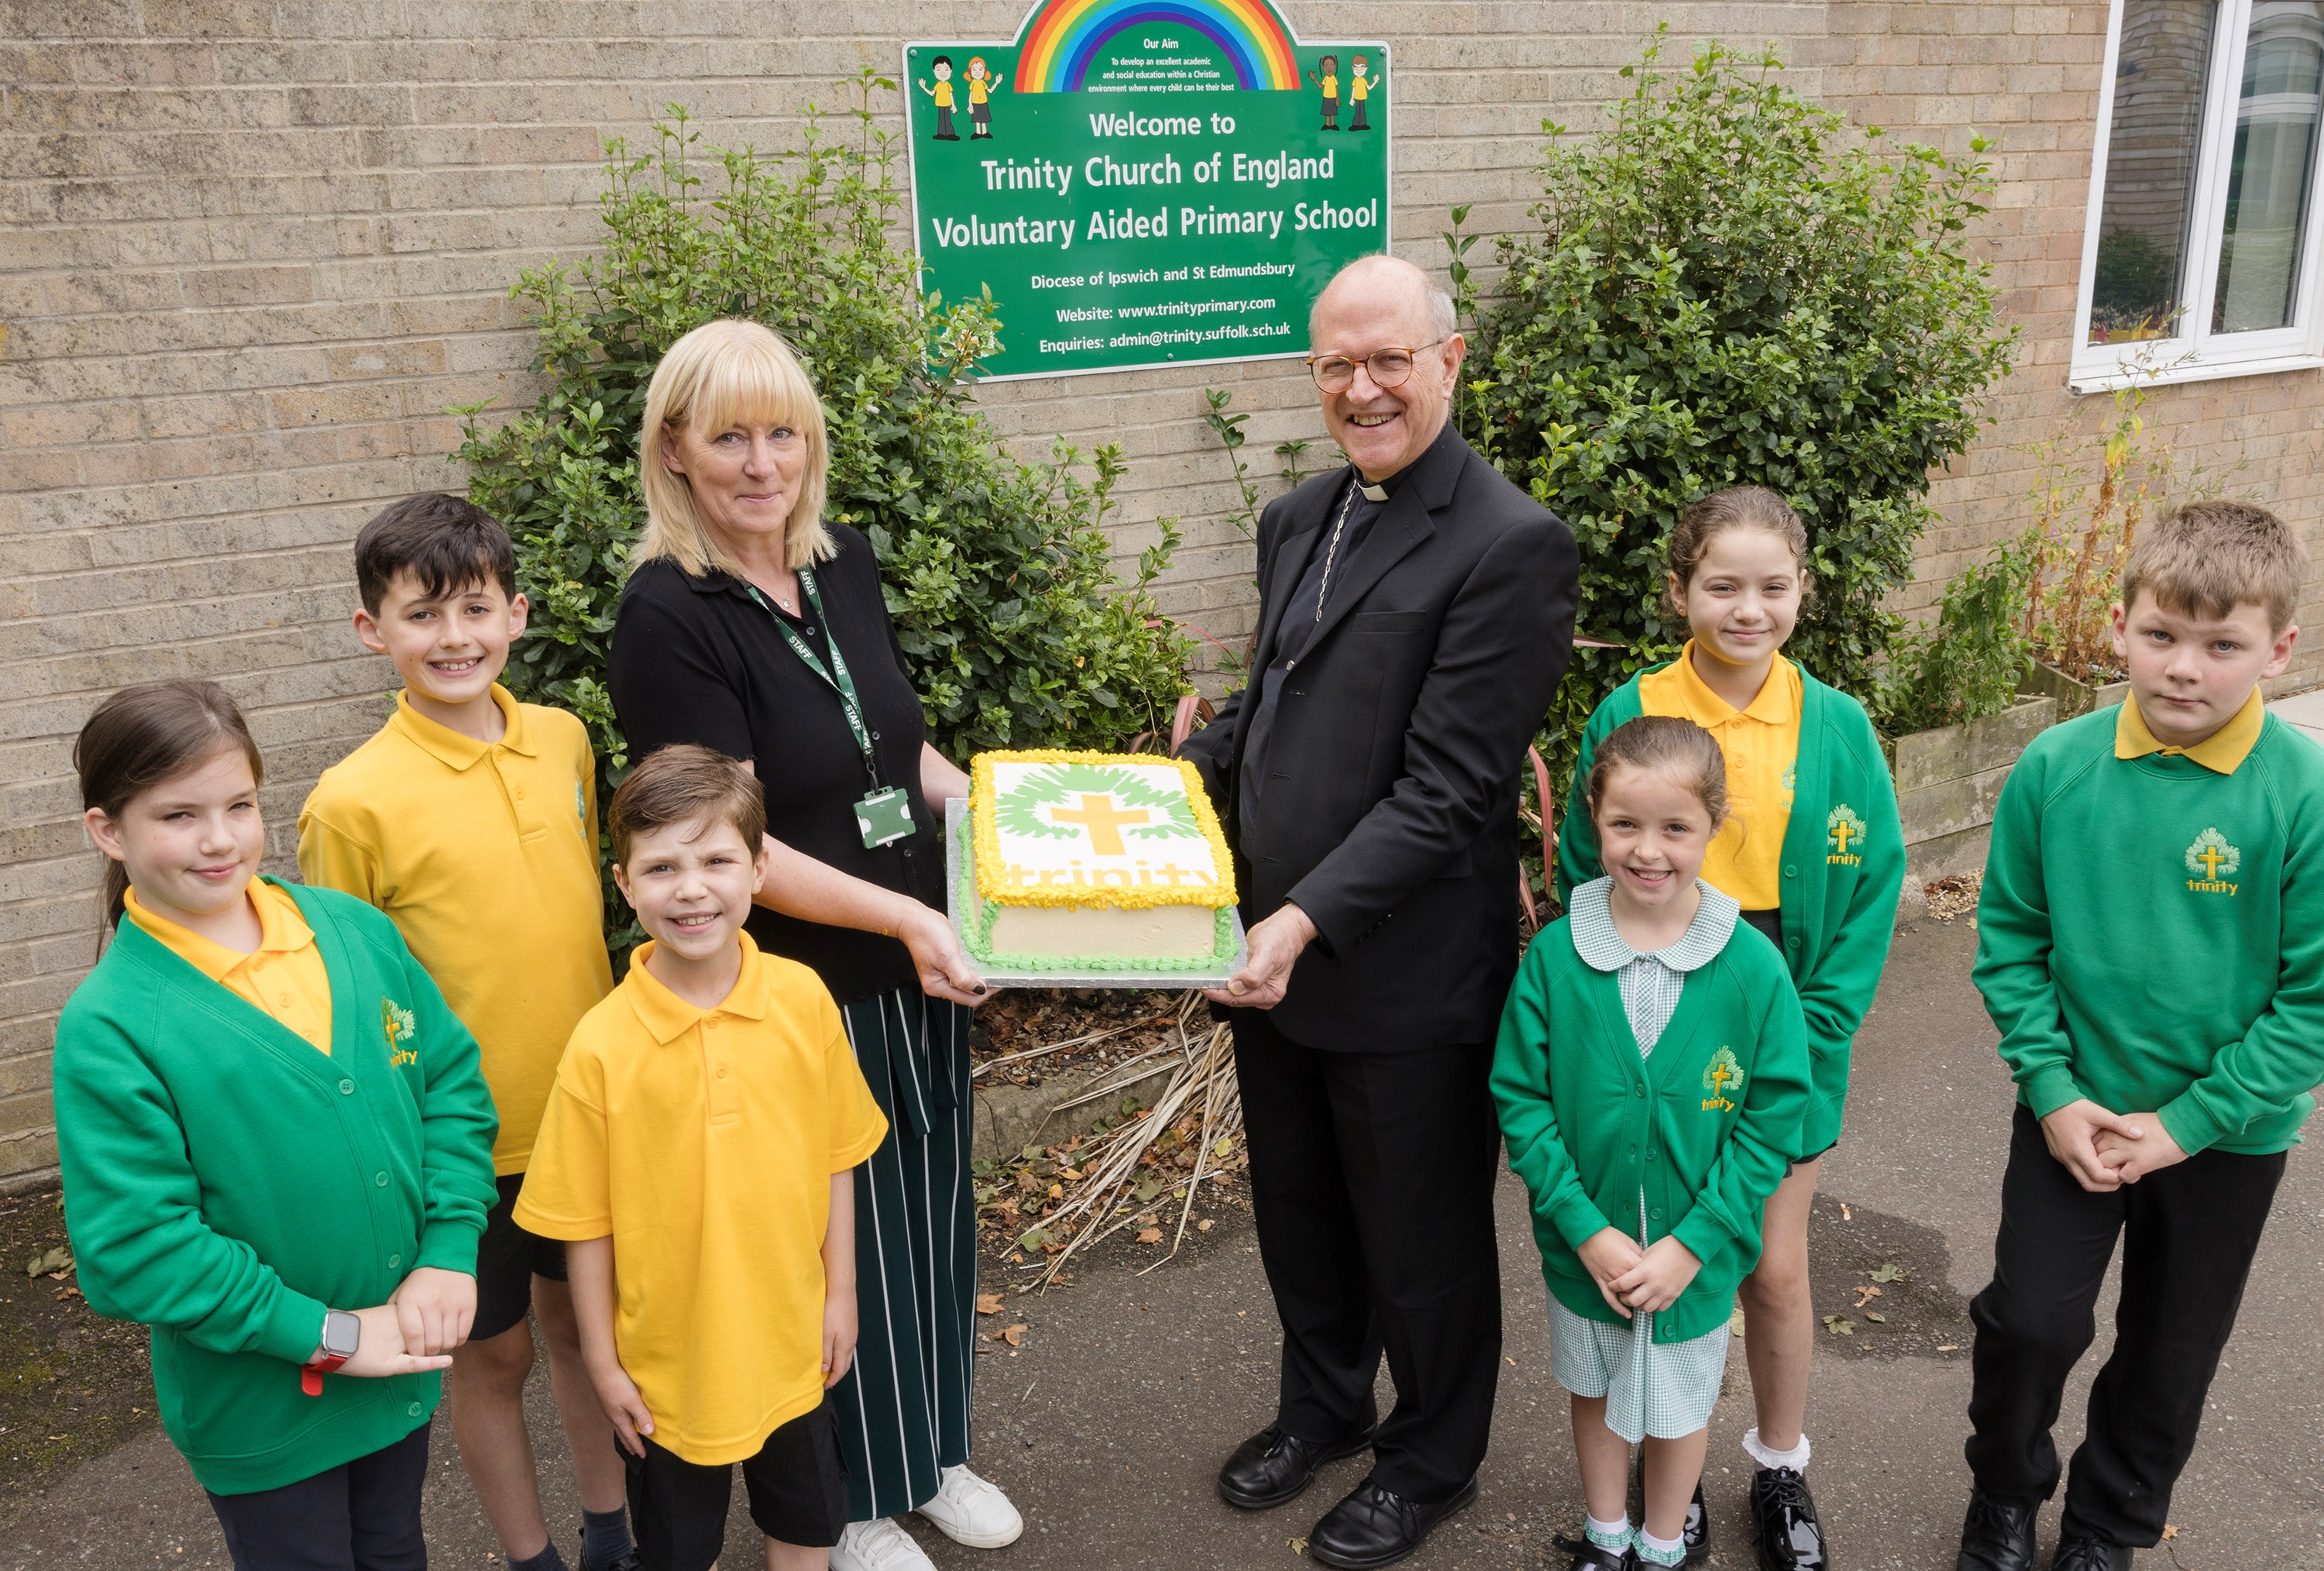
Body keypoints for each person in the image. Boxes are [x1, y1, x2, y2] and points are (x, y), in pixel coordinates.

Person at [1178, 253, 1579, 1569]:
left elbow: (1450, 789)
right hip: (1265, 955)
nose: (1364, 387)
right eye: (1337, 363)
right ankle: (1325, 1407)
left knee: (1422, 1238)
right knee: (1299, 1207)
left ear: (1449, 359)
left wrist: (1300, 922)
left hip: (1398, 971)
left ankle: (1432, 1455)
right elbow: (1279, 707)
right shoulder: (1298, 516)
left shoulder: (1508, 543)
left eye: (1389, 358)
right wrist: (1164, 791)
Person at [607, 318, 1017, 1571]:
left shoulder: (840, 561)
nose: (759, 460)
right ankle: (847, 1503)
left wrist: (1010, 817)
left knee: (933, 1216)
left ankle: (930, 1450)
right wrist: (904, 913)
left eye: (781, 431)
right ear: (674, 449)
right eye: (728, 435)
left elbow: (898, 751)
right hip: (806, 982)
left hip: (922, 957)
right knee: (839, 1242)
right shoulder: (668, 611)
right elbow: (730, 836)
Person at [53, 679, 500, 1571]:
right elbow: (138, 1250)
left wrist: (448, 1247)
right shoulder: (111, 1025)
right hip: (264, 1409)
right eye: (178, 815)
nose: (219, 840)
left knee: (395, 1552)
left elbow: (448, 1080)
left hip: (395, 1372)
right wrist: (334, 1336)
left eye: (240, 806)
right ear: (110, 831)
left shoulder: (353, 931)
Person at [1956, 500, 2324, 1571]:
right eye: (2161, 635)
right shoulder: (2055, 767)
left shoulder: (2301, 796)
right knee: (2029, 1323)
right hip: (2075, 1112)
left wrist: (2188, 1125)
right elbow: (2010, 944)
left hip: (2227, 1135)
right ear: (2120, 626)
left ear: (2280, 649)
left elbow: (2311, 1004)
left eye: (2223, 647)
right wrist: (2053, 1090)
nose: (2184, 670)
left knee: (2170, 1353)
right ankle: (2005, 1493)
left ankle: (2113, 1526)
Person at [1556, 486, 1902, 1569]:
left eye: (1772, 586)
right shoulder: (1630, 710)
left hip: (1778, 1006)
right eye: (1722, 585)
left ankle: (1781, 1463)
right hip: (1654, 1007)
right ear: (1679, 591)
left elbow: (1874, 880)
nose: (1747, 608)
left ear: (1803, 590)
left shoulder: (1836, 725)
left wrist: (1818, 1024)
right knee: (1664, 1247)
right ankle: (1673, 1482)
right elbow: (1584, 865)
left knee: (1769, 1265)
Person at [297, 495, 634, 1571]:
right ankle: (530, 1555)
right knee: (493, 1363)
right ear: (372, 631)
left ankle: (610, 1534)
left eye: (477, 610)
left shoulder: (564, 742)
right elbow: (351, 1006)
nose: (455, 638)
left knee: (590, 1336)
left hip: (589, 1116)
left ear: (517, 613)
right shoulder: (349, 804)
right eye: (422, 615)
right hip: (461, 1153)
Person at [516, 746, 889, 1571]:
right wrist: (604, 1362)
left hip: (793, 1347)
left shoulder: (802, 1000)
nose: (691, 889)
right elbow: (583, 1222)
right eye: (661, 867)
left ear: (759, 868)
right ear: (624, 885)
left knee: (805, 1528)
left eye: (717, 860)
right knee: (679, 1551)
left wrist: (843, 1295)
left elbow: (838, 1156)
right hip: (664, 1375)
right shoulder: (600, 1047)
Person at [1495, 717, 1812, 1571]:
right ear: (1591, 819)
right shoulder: (1556, 957)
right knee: (1594, 1391)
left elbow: (1774, 1118)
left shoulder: (1751, 967)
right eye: (1625, 825)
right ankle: (1606, 1538)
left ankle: (1665, 1546)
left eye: (1676, 828)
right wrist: (1585, 1230)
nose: (1649, 851)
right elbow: (1520, 1099)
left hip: (1694, 1260)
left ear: (1714, 827)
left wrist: (1693, 1244)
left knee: (1678, 1405)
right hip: (1583, 1249)